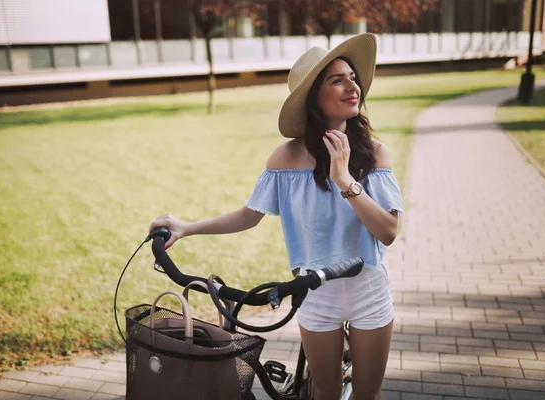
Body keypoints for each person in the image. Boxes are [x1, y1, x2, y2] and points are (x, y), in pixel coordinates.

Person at [149, 33, 402, 400]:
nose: (352, 86)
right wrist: (187, 228)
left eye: (353, 77)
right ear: (313, 98)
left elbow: (389, 231)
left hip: (368, 289)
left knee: (368, 395)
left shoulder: (375, 153)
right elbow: (249, 215)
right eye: (337, 80)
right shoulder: (285, 159)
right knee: (325, 395)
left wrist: (345, 180)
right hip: (314, 292)